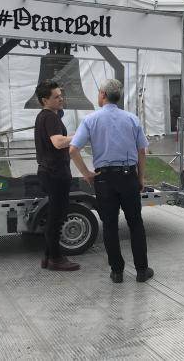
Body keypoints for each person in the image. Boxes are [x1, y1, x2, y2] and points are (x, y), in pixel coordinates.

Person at [69, 79, 154, 283]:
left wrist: (86, 173)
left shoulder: (90, 120)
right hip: (128, 176)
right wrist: (140, 177)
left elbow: (73, 150)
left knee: (109, 225)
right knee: (135, 223)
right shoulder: (132, 119)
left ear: (103, 95)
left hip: (104, 179)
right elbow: (142, 151)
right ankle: (142, 270)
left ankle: (117, 272)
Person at [34, 80, 79, 271]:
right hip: (55, 173)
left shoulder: (44, 116)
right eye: (56, 97)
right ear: (45, 100)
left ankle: (48, 256)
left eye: (61, 95)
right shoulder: (50, 118)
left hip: (49, 172)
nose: (61, 99)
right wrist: (81, 135)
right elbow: (58, 142)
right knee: (57, 217)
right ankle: (56, 258)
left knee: (55, 214)